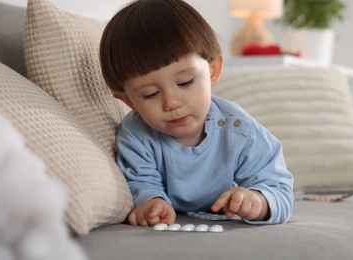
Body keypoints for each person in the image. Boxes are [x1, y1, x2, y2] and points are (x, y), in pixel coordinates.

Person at [99, 0, 293, 226]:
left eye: (185, 82)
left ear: (213, 71)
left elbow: (278, 189)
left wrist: (257, 202)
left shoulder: (240, 131)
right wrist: (151, 202)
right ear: (128, 100)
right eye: (151, 94)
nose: (172, 103)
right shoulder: (136, 134)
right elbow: (139, 183)